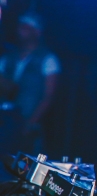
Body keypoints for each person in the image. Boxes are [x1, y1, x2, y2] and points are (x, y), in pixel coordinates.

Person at [0, 12, 60, 155]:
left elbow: (48, 96)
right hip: (4, 120)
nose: (21, 30)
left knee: (20, 161)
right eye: (20, 26)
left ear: (37, 32)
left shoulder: (48, 59)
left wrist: (31, 123)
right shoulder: (8, 58)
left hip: (26, 121)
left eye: (26, 27)